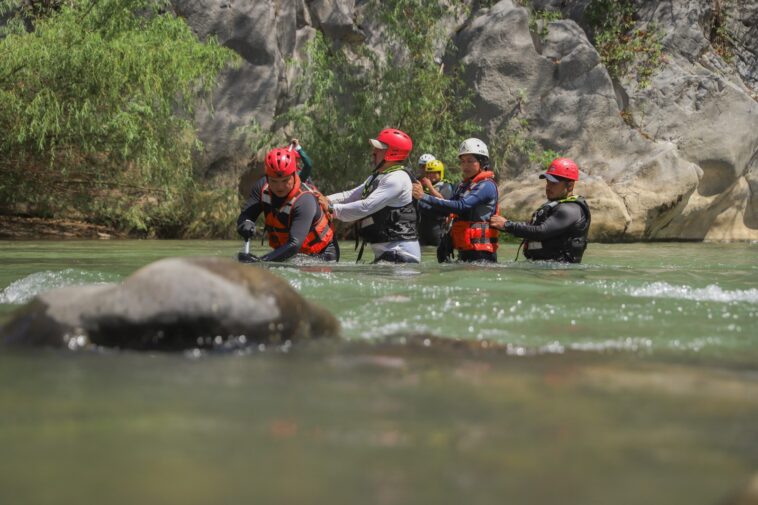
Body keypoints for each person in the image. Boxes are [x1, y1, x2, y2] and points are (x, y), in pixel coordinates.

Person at [320, 128, 420, 263]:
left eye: (379, 149)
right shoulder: (379, 176)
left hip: (401, 255)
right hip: (390, 255)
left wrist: (332, 210)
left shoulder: (397, 179)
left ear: (392, 153)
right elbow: (351, 195)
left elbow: (365, 207)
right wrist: (325, 199)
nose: (373, 152)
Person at [236, 147, 338, 262]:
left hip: (323, 253)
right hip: (290, 252)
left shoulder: (304, 200)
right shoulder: (261, 188)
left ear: (294, 175)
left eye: (285, 181)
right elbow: (246, 215)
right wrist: (245, 224)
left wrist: (260, 262)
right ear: (267, 177)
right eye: (274, 181)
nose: (280, 187)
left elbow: (294, 244)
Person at [412, 138, 499, 263]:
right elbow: (446, 209)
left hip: (482, 255)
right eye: (462, 161)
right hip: (465, 251)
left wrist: (424, 196)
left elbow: (461, 206)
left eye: (470, 161)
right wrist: (416, 201)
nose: (465, 165)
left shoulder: (486, 185)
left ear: (482, 162)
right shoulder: (462, 187)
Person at [489, 157, 591, 263]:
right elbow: (533, 228)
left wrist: (507, 225)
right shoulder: (555, 205)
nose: (548, 187)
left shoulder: (570, 209)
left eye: (554, 183)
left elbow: (541, 231)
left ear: (570, 186)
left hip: (560, 272)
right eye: (548, 182)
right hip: (543, 266)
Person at [417, 159, 454, 246]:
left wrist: (429, 186)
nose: (430, 175)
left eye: (434, 173)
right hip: (423, 226)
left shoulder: (446, 186)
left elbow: (442, 200)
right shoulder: (422, 186)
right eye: (428, 173)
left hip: (437, 226)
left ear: (440, 173)